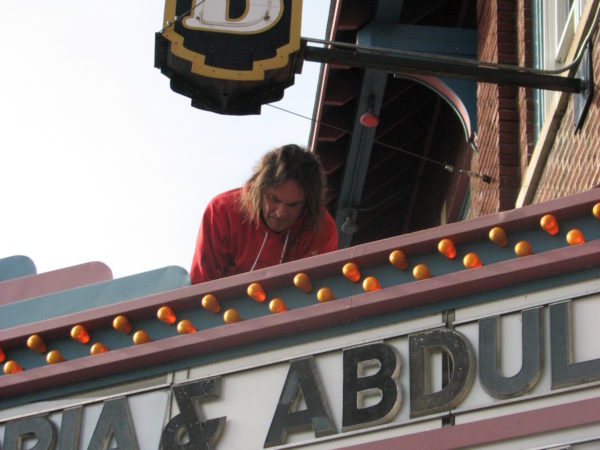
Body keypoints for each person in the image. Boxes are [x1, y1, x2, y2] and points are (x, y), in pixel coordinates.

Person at [190, 144, 338, 284]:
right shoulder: (223, 211)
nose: (280, 213)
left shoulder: (322, 230)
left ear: (308, 204)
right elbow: (202, 286)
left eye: (292, 205)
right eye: (273, 199)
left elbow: (313, 294)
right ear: (258, 189)